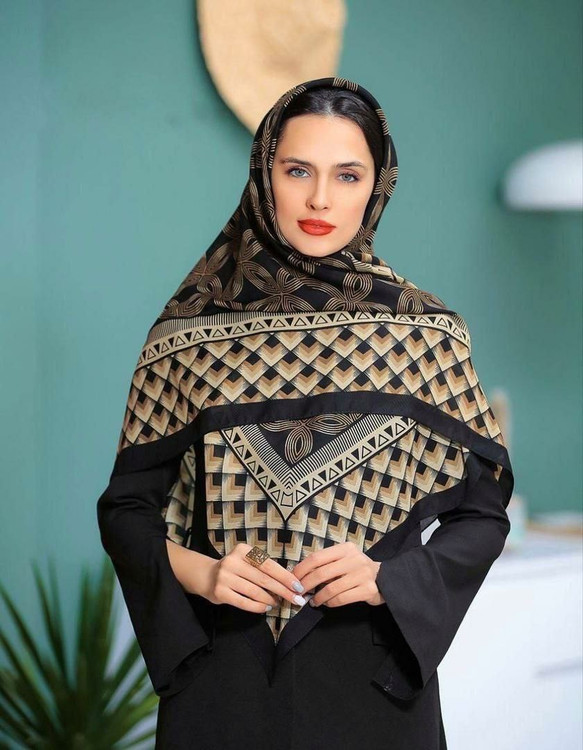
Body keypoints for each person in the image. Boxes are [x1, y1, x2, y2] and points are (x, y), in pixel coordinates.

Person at [96, 76, 514, 750]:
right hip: (224, 682)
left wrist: (388, 580)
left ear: (377, 187)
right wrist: (206, 573)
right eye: (297, 171)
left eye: (347, 175)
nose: (321, 199)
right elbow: (126, 509)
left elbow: (482, 513)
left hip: (372, 679)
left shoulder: (427, 336)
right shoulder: (188, 334)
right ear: (265, 174)